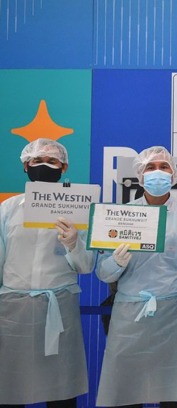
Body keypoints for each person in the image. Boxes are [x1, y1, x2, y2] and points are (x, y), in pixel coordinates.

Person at [95, 146, 177, 407]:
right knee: (127, 394)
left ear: (174, 174)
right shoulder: (121, 216)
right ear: (140, 175)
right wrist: (116, 262)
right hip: (130, 317)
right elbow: (103, 273)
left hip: (176, 317)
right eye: (151, 167)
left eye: (164, 167)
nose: (158, 172)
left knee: (172, 396)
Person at [0, 138, 93, 407]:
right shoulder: (8, 209)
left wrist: (74, 244)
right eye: (37, 160)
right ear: (25, 166)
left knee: (60, 390)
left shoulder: (79, 209)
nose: (44, 165)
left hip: (58, 308)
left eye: (52, 161)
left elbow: (86, 266)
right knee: (10, 388)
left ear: (64, 168)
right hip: (13, 311)